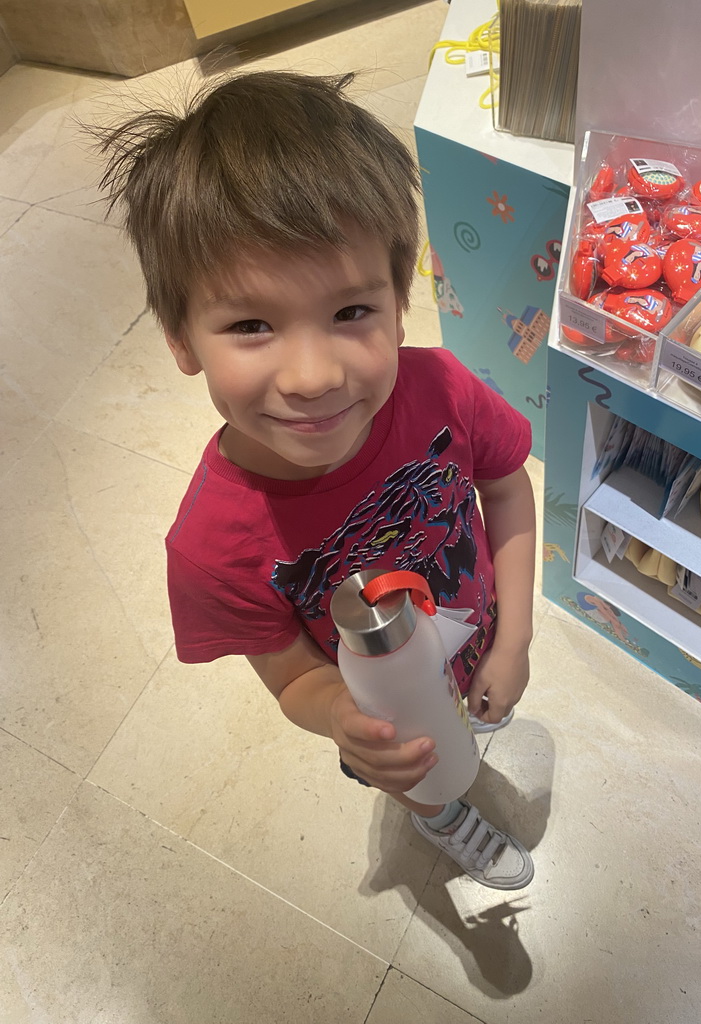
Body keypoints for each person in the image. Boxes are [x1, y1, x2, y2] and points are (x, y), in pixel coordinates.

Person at [93, 70, 537, 890]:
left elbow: (506, 486)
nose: (311, 376)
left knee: (479, 709)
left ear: (399, 303)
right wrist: (340, 718)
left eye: (350, 312)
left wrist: (512, 641)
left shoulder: (439, 388)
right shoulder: (211, 547)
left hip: (476, 633)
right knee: (424, 780)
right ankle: (442, 821)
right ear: (181, 338)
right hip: (383, 711)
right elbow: (294, 674)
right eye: (252, 324)